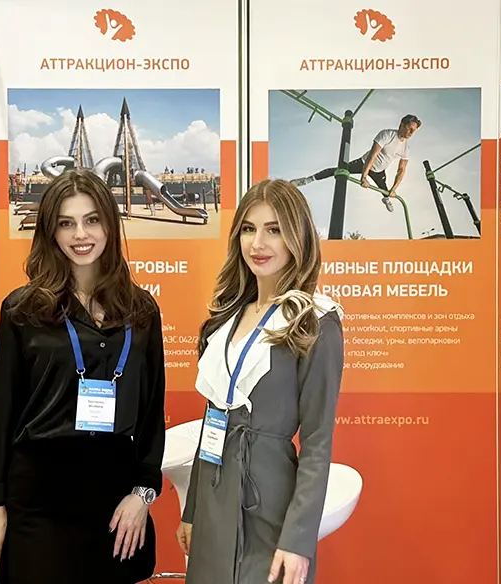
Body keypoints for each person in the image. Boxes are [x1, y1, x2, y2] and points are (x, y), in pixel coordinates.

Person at [0, 169, 166, 584]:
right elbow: (2, 411)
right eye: (67, 223)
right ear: (51, 231)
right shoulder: (22, 310)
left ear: (109, 225)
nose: (80, 235)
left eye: (92, 220)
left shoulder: (142, 311)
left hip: (114, 494)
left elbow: (152, 410)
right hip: (39, 496)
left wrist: (142, 493)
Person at [175, 179, 345, 584]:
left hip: (269, 501)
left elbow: (318, 443)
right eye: (249, 229)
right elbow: (213, 421)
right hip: (214, 497)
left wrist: (299, 540)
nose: (258, 243)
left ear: (297, 237)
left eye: (274, 229)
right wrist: (192, 510)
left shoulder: (315, 321)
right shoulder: (225, 319)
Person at [291, 114, 422, 212]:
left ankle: (386, 198)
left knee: (386, 191)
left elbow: (401, 170)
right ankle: (307, 180)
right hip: (364, 163)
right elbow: (373, 155)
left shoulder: (406, 148)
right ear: (402, 124)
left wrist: (394, 190)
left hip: (379, 171)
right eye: (410, 128)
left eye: (414, 131)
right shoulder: (387, 134)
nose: (411, 133)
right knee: (339, 170)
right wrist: (364, 176)